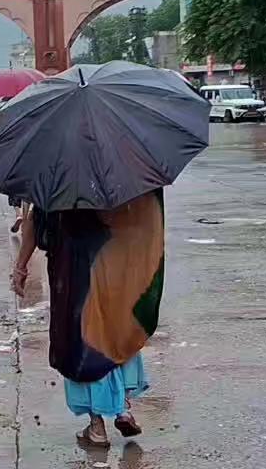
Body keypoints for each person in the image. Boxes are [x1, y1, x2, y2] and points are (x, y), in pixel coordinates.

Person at [11, 191, 162, 447]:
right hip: (115, 265)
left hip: (72, 274)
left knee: (82, 345)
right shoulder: (122, 171)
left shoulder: (57, 174)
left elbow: (36, 224)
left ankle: (97, 426)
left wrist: (20, 267)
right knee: (118, 333)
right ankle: (123, 409)